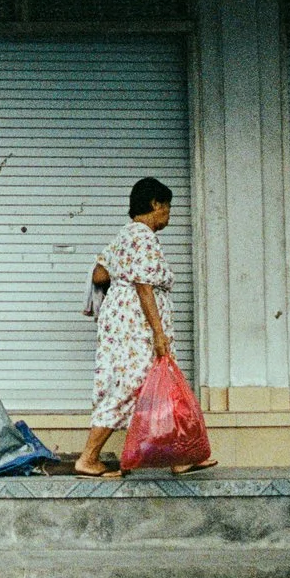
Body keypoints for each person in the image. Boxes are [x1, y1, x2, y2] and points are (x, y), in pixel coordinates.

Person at [77, 177, 195, 478]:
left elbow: (99, 275)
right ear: (155, 204)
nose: (169, 214)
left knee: (157, 383)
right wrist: (158, 333)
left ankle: (178, 457)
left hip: (121, 321)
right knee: (132, 385)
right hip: (137, 324)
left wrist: (120, 280)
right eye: (167, 207)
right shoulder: (143, 236)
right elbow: (144, 286)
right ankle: (88, 457)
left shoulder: (124, 235)